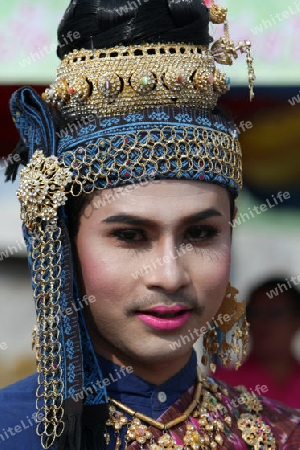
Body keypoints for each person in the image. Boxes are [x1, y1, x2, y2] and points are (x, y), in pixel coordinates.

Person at [0, 0, 299, 449]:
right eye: (130, 236)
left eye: (201, 234)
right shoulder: (15, 430)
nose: (170, 275)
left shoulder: (283, 435)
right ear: (61, 241)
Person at [214, 277, 300, 409]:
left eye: (275, 313)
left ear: (296, 320)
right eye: (255, 313)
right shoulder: (220, 385)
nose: (263, 322)